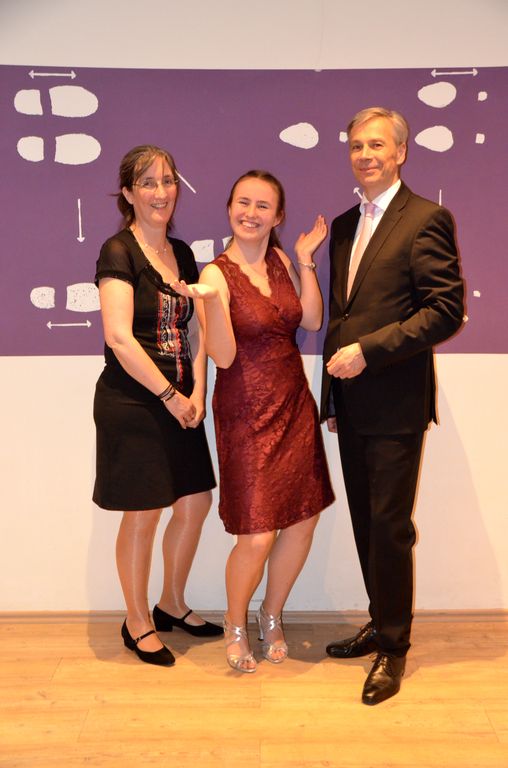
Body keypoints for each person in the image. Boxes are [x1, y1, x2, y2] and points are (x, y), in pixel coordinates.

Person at [321, 107, 464, 704]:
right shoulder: (345, 225)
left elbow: (445, 310)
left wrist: (368, 353)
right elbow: (343, 315)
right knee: (364, 521)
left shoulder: (427, 218)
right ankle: (380, 623)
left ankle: (395, 649)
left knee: (389, 527)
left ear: (401, 152)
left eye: (377, 145)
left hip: (396, 401)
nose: (365, 155)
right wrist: (332, 392)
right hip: (352, 400)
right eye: (357, 145)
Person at [172, 170, 335, 673]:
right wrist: (210, 303)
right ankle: (235, 622)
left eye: (263, 205)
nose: (251, 213)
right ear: (229, 208)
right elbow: (222, 356)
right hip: (245, 412)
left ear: (277, 216)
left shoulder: (282, 260)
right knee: (258, 534)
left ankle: (271, 614)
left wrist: (305, 259)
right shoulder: (215, 275)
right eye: (243, 202)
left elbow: (311, 320)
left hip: (293, 403)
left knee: (303, 519)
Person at [93, 145, 222, 668]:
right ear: (128, 193)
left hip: (181, 400)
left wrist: (198, 392)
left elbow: (197, 330)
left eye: (167, 181)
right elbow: (119, 338)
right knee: (143, 511)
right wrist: (169, 396)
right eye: (147, 182)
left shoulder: (183, 253)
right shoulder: (118, 251)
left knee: (194, 503)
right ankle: (136, 621)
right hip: (134, 402)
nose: (160, 192)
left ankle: (170, 603)